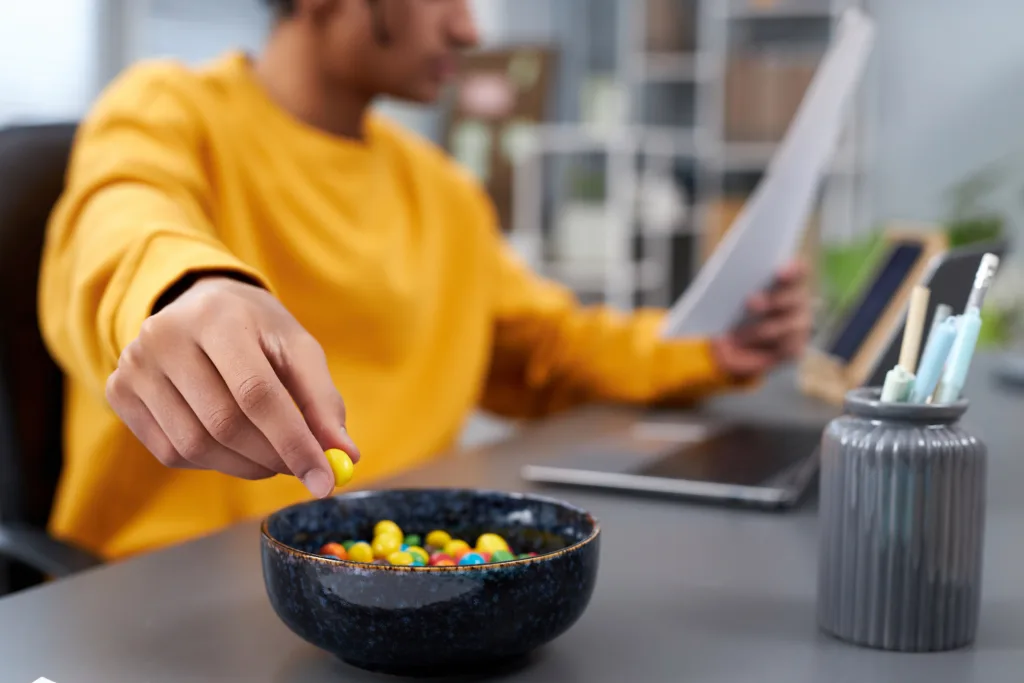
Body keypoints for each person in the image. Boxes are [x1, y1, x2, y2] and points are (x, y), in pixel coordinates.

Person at [38, 0, 811, 560]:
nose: (469, 30)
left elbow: (549, 350)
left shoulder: (442, 190)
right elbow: (116, 224)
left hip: (402, 583)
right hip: (171, 590)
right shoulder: (166, 107)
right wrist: (190, 287)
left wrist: (714, 349)